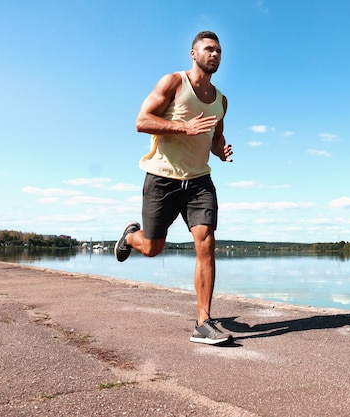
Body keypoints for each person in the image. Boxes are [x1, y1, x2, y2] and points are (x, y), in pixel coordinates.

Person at [115, 31, 234, 345]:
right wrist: (183, 126)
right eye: (209, 49)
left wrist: (219, 150)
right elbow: (142, 120)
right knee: (153, 248)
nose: (215, 55)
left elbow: (214, 139)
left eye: (219, 51)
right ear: (193, 54)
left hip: (199, 181)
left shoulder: (221, 101)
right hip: (162, 177)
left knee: (206, 241)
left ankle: (204, 322)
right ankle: (130, 236)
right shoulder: (173, 83)